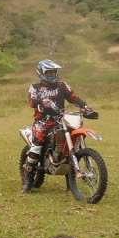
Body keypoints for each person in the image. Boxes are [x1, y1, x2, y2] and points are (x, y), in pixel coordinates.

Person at [21, 59, 93, 193]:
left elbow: (74, 98)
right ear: (42, 73)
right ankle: (28, 180)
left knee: (73, 142)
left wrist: (85, 106)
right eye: (49, 72)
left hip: (62, 119)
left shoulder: (62, 86)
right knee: (37, 145)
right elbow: (32, 101)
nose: (52, 74)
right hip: (43, 121)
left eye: (54, 72)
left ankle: (70, 181)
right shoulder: (35, 88)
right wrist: (42, 101)